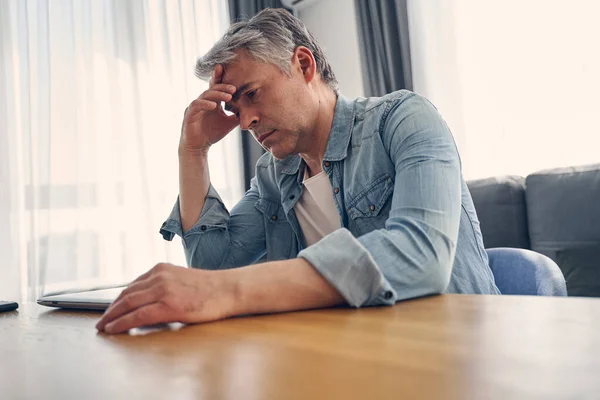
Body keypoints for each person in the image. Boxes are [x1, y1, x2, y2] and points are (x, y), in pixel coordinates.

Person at [97, 8, 499, 334]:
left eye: (252, 95)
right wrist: (193, 151)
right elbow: (211, 270)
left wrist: (231, 292)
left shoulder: (403, 119)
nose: (244, 122)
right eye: (235, 109)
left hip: (455, 349)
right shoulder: (276, 175)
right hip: (359, 356)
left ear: (304, 64)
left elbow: (422, 257)